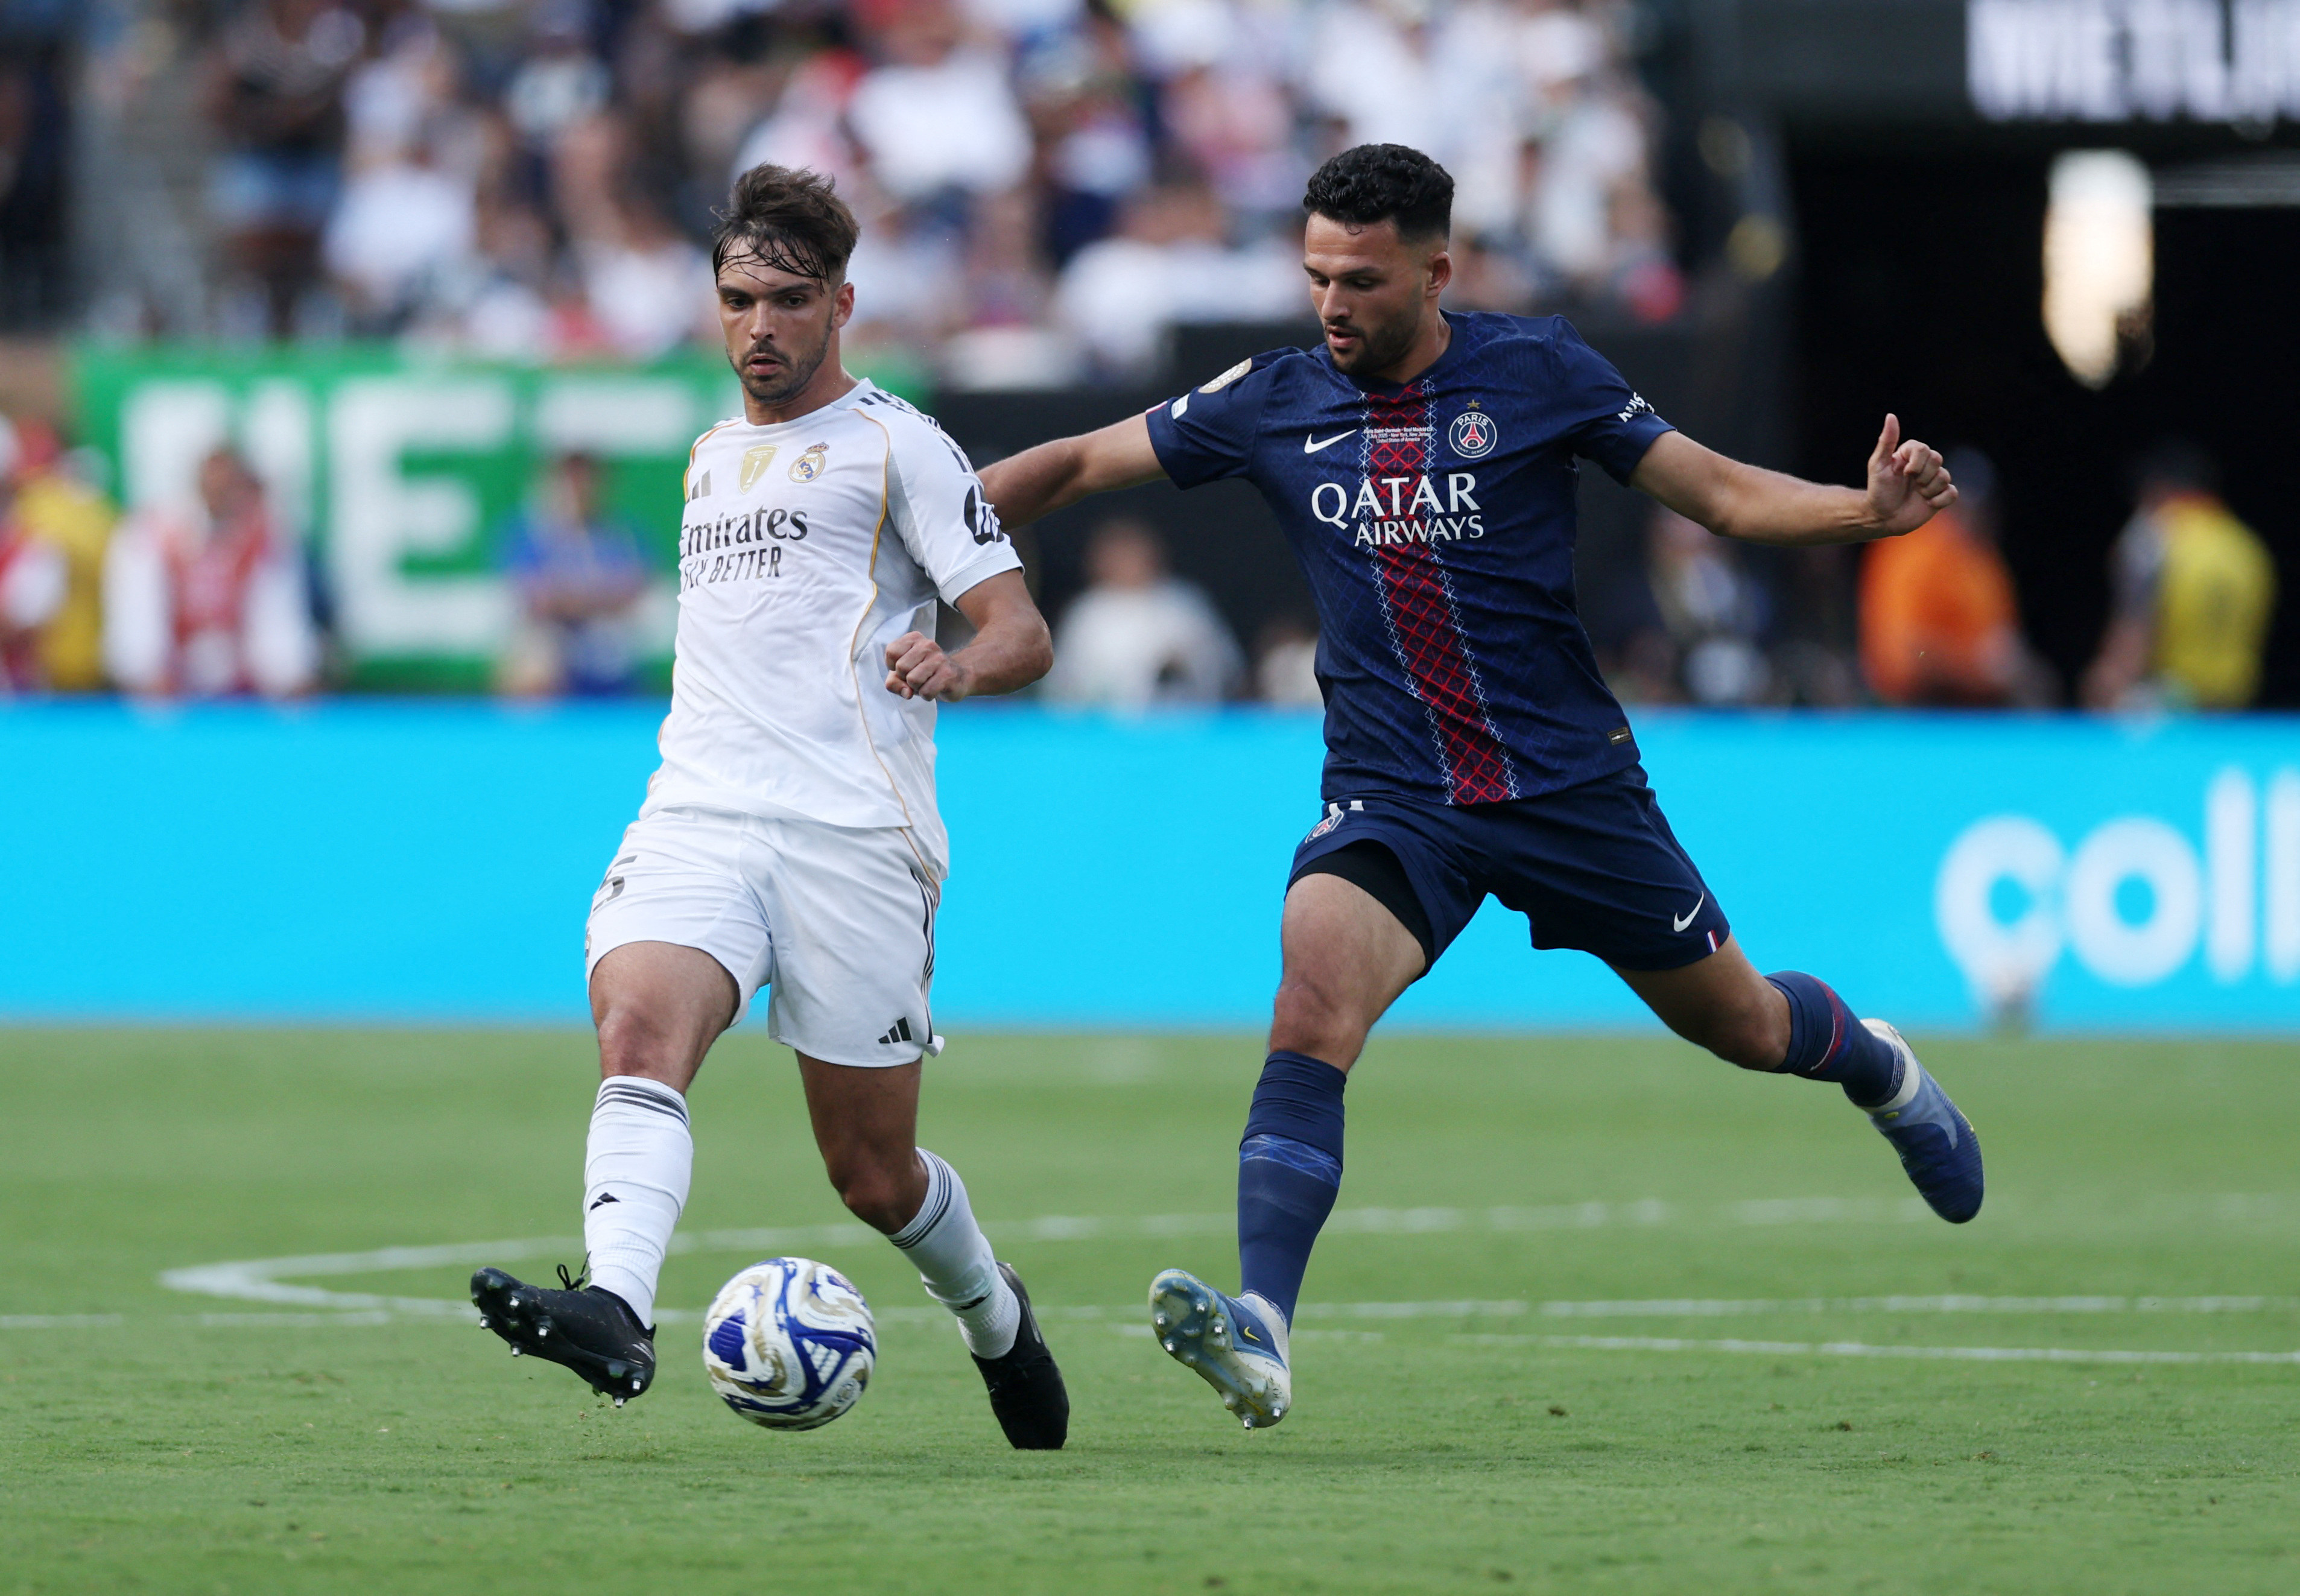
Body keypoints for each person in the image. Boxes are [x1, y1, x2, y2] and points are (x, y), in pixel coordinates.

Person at [977, 144, 1980, 1432]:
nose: (1331, 305)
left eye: (1360, 280)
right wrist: (935, 530)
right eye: (1315, 277)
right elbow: (1059, 470)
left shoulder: (1539, 371)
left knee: (1742, 1026)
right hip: (1396, 796)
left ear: (1436, 271)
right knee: (1310, 1001)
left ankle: (1877, 1066)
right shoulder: (1268, 399)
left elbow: (1720, 495)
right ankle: (1263, 1329)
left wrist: (1864, 512)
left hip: (1567, 789)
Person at [470, 164, 1070, 1451]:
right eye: (738, 298)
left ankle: (992, 1317)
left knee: (870, 1175)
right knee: (637, 1027)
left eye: (788, 301)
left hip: (854, 835)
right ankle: (616, 1310)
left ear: (840, 302)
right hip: (699, 810)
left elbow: (1022, 633)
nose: (759, 326)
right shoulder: (704, 458)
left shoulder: (899, 444)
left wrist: (955, 665)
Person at [101, 445, 318, 699]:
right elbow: (137, 617)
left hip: (243, 698)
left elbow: (278, 623)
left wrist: (288, 677)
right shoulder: (153, 535)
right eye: (218, 487)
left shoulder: (265, 537)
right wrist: (146, 672)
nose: (225, 496)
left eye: (233, 489)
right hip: (170, 693)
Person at [2083, 442, 2276, 712]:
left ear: (2156, 490)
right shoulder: (2245, 546)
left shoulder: (2151, 537)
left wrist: (2103, 689)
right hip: (2235, 708)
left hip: (2171, 704)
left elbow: (2132, 636)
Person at [1860, 449, 2053, 708]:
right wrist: (1975, 669)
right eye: (1958, 502)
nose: (1970, 514)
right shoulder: (1912, 548)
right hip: (1913, 711)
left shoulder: (1983, 560)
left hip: (1976, 708)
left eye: (1979, 505)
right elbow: (1903, 657)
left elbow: (2002, 642)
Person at [496, 452, 651, 698]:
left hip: (606, 645)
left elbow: (634, 592)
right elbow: (537, 600)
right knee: (534, 655)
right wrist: (596, 596)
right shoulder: (535, 536)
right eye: (570, 480)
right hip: (558, 646)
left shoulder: (621, 535)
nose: (578, 489)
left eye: (585, 480)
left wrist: (572, 596)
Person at [1044, 518, 1242, 706]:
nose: (1128, 563)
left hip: (1180, 724)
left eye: (1133, 554)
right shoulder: (1086, 612)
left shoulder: (1184, 604)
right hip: (1105, 730)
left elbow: (1224, 666)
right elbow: (1065, 681)